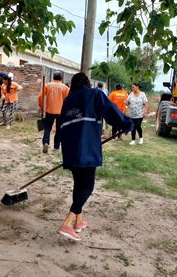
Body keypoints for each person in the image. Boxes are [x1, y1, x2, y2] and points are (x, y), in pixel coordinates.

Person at [57, 72, 133, 241]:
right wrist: (127, 124)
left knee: (79, 183)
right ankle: (67, 223)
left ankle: (79, 221)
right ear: (87, 83)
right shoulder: (95, 94)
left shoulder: (68, 101)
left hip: (70, 149)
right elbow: (112, 113)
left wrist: (58, 144)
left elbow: (60, 124)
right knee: (88, 186)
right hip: (86, 148)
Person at [37, 71, 69, 153]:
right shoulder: (65, 88)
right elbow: (68, 100)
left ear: (53, 77)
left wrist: (41, 106)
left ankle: (46, 142)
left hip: (49, 110)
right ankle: (56, 146)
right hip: (60, 112)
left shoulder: (48, 85)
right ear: (61, 78)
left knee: (47, 128)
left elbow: (40, 97)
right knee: (59, 129)